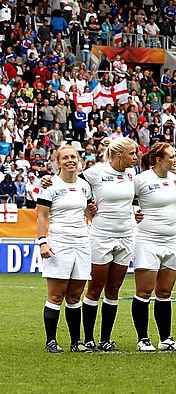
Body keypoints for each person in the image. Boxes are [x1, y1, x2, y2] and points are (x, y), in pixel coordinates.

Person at [81, 137, 137, 351]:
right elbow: (74, 183)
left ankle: (105, 339)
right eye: (131, 153)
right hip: (102, 236)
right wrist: (87, 206)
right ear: (118, 154)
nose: (135, 157)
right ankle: (88, 339)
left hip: (125, 236)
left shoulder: (132, 174)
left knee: (113, 289)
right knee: (94, 289)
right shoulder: (96, 172)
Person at [131, 143, 176, 352]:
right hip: (147, 240)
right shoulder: (141, 179)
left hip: (171, 241)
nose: (175, 160)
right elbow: (125, 200)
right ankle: (143, 339)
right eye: (171, 157)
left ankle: (166, 339)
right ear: (158, 160)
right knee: (144, 291)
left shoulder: (174, 180)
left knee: (165, 292)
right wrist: (133, 213)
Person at [36, 144, 92, 353]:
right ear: (58, 162)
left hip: (81, 242)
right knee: (56, 295)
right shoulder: (50, 185)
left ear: (79, 160)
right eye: (65, 157)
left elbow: (89, 211)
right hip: (59, 242)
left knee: (75, 295)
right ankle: (51, 340)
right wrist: (42, 241)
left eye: (73, 157)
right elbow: (41, 216)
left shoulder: (85, 186)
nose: (70, 160)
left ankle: (76, 342)